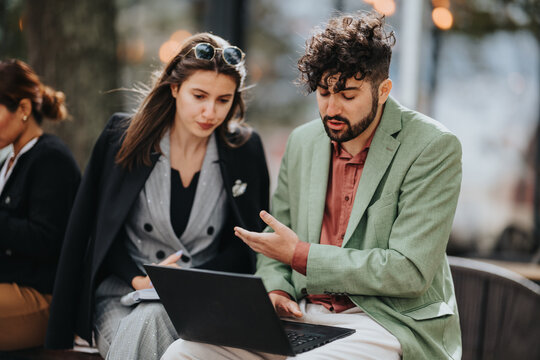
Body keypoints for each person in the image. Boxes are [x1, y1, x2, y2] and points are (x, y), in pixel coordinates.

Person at [163, 11, 462, 360]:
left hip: (386, 320)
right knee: (184, 352)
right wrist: (278, 291)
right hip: (305, 314)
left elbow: (409, 272)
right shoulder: (303, 142)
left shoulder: (432, 146)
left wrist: (301, 256)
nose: (332, 108)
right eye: (323, 93)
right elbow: (277, 247)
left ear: (383, 90)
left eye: (348, 95)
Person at [45, 33, 270, 359]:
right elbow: (97, 230)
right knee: (149, 321)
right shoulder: (122, 137)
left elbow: (246, 244)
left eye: (223, 100)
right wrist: (140, 280)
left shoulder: (245, 149)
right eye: (199, 95)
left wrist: (185, 284)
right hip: (125, 293)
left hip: (204, 299)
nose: (210, 112)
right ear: (175, 88)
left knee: (155, 326)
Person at [0, 59, 81, 351]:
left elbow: (46, 240)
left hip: (42, 298)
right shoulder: (10, 159)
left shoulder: (50, 158)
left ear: (22, 109)